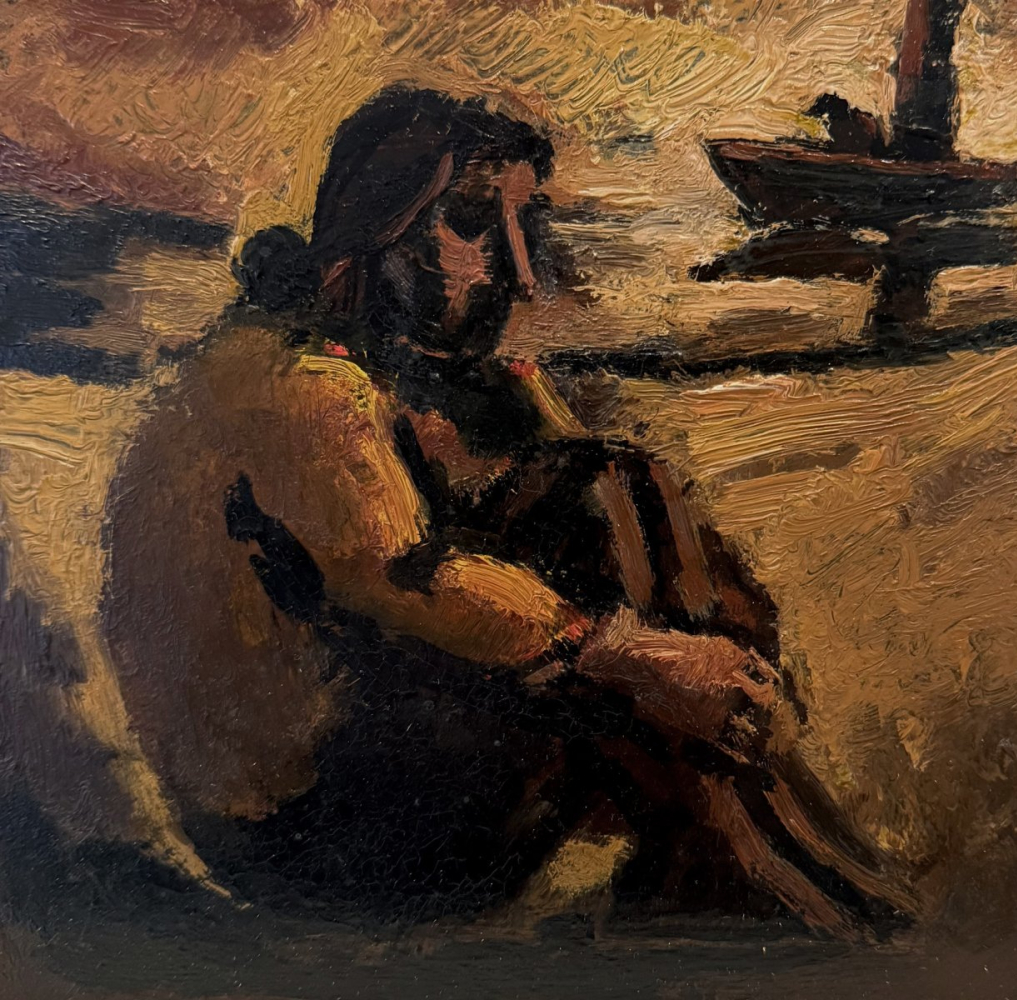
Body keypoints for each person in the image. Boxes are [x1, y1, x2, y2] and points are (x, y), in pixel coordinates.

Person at [102, 86, 908, 934]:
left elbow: (607, 509)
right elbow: (405, 577)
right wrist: (635, 655)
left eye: (527, 227)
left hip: (387, 763)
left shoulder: (426, 365)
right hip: (305, 832)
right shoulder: (298, 380)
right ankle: (730, 859)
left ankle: (738, 836)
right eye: (473, 224)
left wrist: (701, 663)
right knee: (600, 514)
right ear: (380, 226)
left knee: (621, 481)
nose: (519, 273)